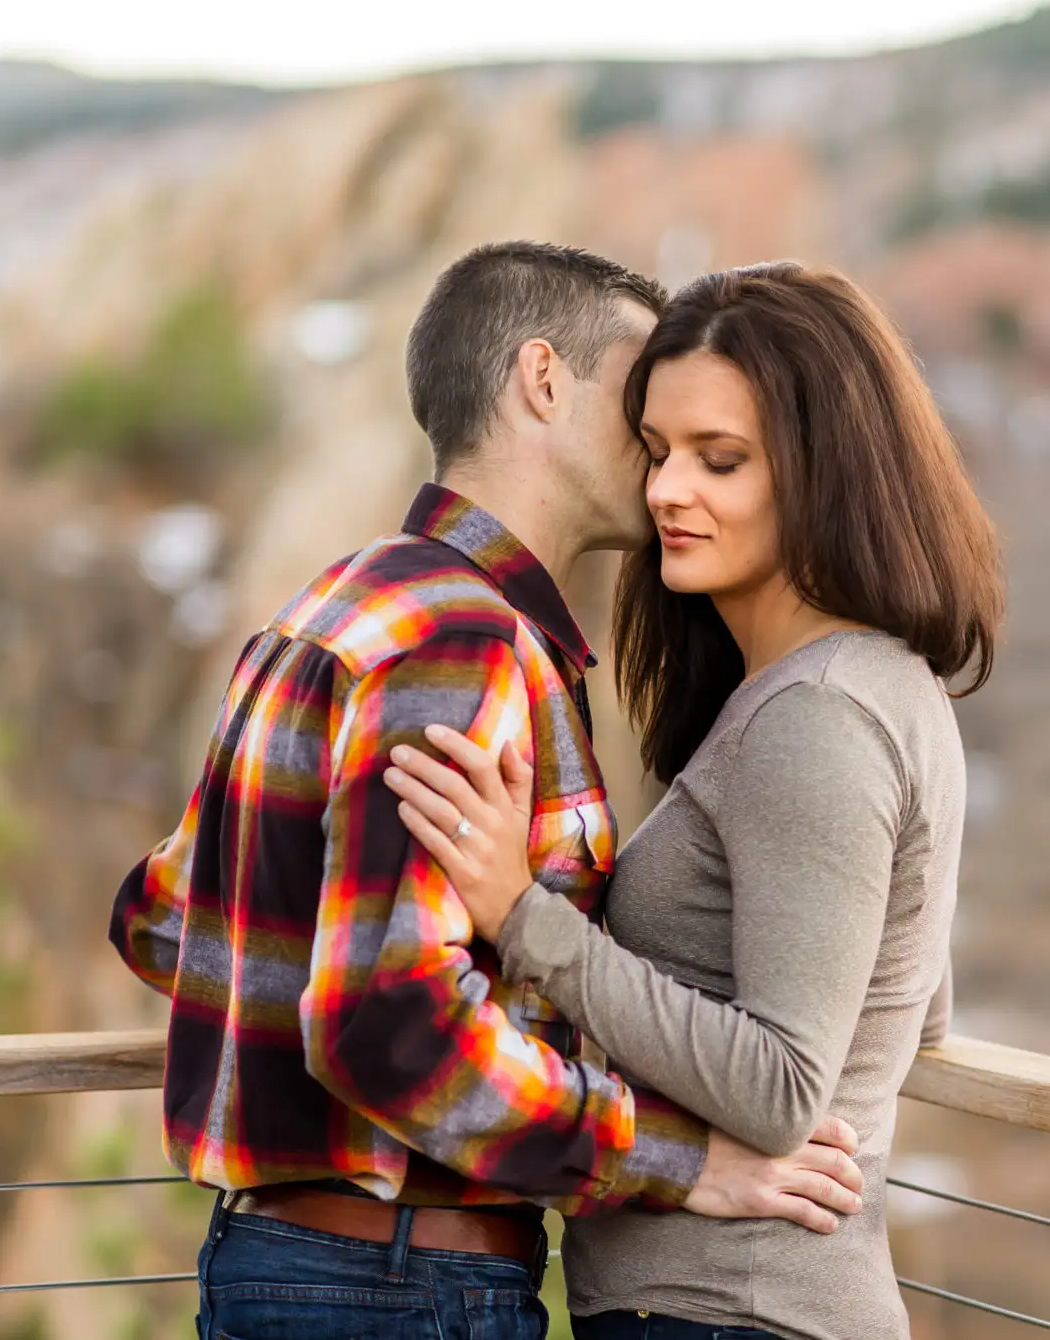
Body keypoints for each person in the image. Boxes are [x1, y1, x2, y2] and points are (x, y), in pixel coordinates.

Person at [107, 243, 866, 1340]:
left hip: (297, 1268)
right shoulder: (460, 641)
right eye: (642, 410)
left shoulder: (336, 603)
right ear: (543, 380)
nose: (662, 467)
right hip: (398, 1286)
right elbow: (388, 1017)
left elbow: (161, 918)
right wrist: (677, 1159)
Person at [386, 261, 1004, 1340]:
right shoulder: (852, 690)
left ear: (825, 473)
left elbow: (780, 1088)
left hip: (734, 1312)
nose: (667, 489)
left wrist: (519, 915)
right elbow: (909, 1001)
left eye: (719, 460)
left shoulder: (818, 714)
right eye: (657, 450)